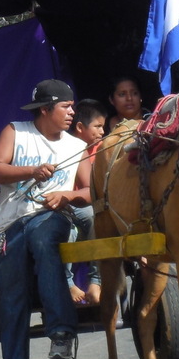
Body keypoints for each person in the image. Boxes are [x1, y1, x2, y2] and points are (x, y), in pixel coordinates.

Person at [0, 79, 91, 359]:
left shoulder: (77, 145)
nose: (72, 112)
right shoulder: (17, 132)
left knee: (45, 239)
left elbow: (91, 191)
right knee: (12, 304)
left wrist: (67, 196)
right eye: (66, 106)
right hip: (8, 226)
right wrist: (31, 171)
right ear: (45, 110)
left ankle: (61, 330)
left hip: (52, 217)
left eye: (73, 106)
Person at [66, 99, 107, 305]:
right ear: (80, 127)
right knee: (66, 231)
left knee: (95, 217)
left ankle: (97, 280)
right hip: (64, 204)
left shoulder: (104, 148)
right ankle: (68, 283)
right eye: (98, 126)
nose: (102, 131)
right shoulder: (66, 146)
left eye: (103, 127)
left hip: (90, 205)